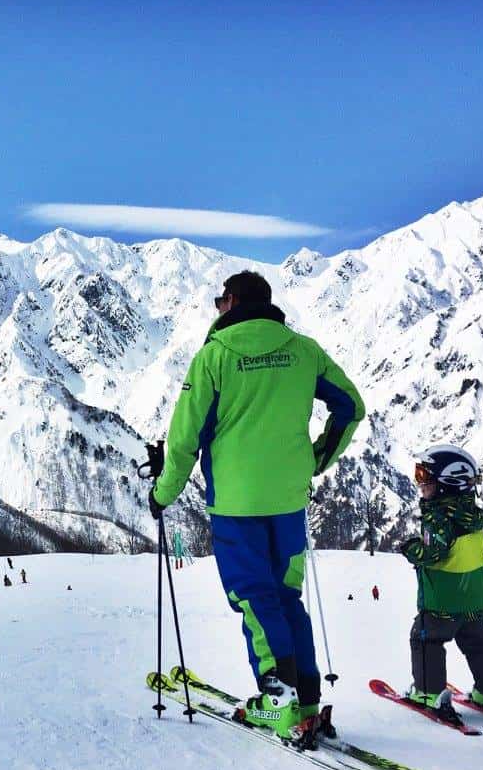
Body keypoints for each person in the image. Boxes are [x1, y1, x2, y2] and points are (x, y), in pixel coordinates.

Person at [150, 271, 364, 744]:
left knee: (253, 595)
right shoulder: (304, 351)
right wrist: (316, 458)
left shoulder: (215, 358)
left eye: (218, 301)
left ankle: (278, 701)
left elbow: (185, 441)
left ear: (231, 301)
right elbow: (350, 407)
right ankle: (306, 698)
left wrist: (162, 494)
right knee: (286, 598)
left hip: (236, 505)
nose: (216, 309)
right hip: (288, 502)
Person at [402, 445, 483, 725]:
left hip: (443, 599)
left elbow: (432, 553)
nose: (419, 482)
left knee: (426, 639)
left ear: (448, 483)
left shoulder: (438, 517)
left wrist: (410, 548)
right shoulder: (471, 513)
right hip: (474, 598)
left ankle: (427, 692)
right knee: (478, 642)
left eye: (424, 475)